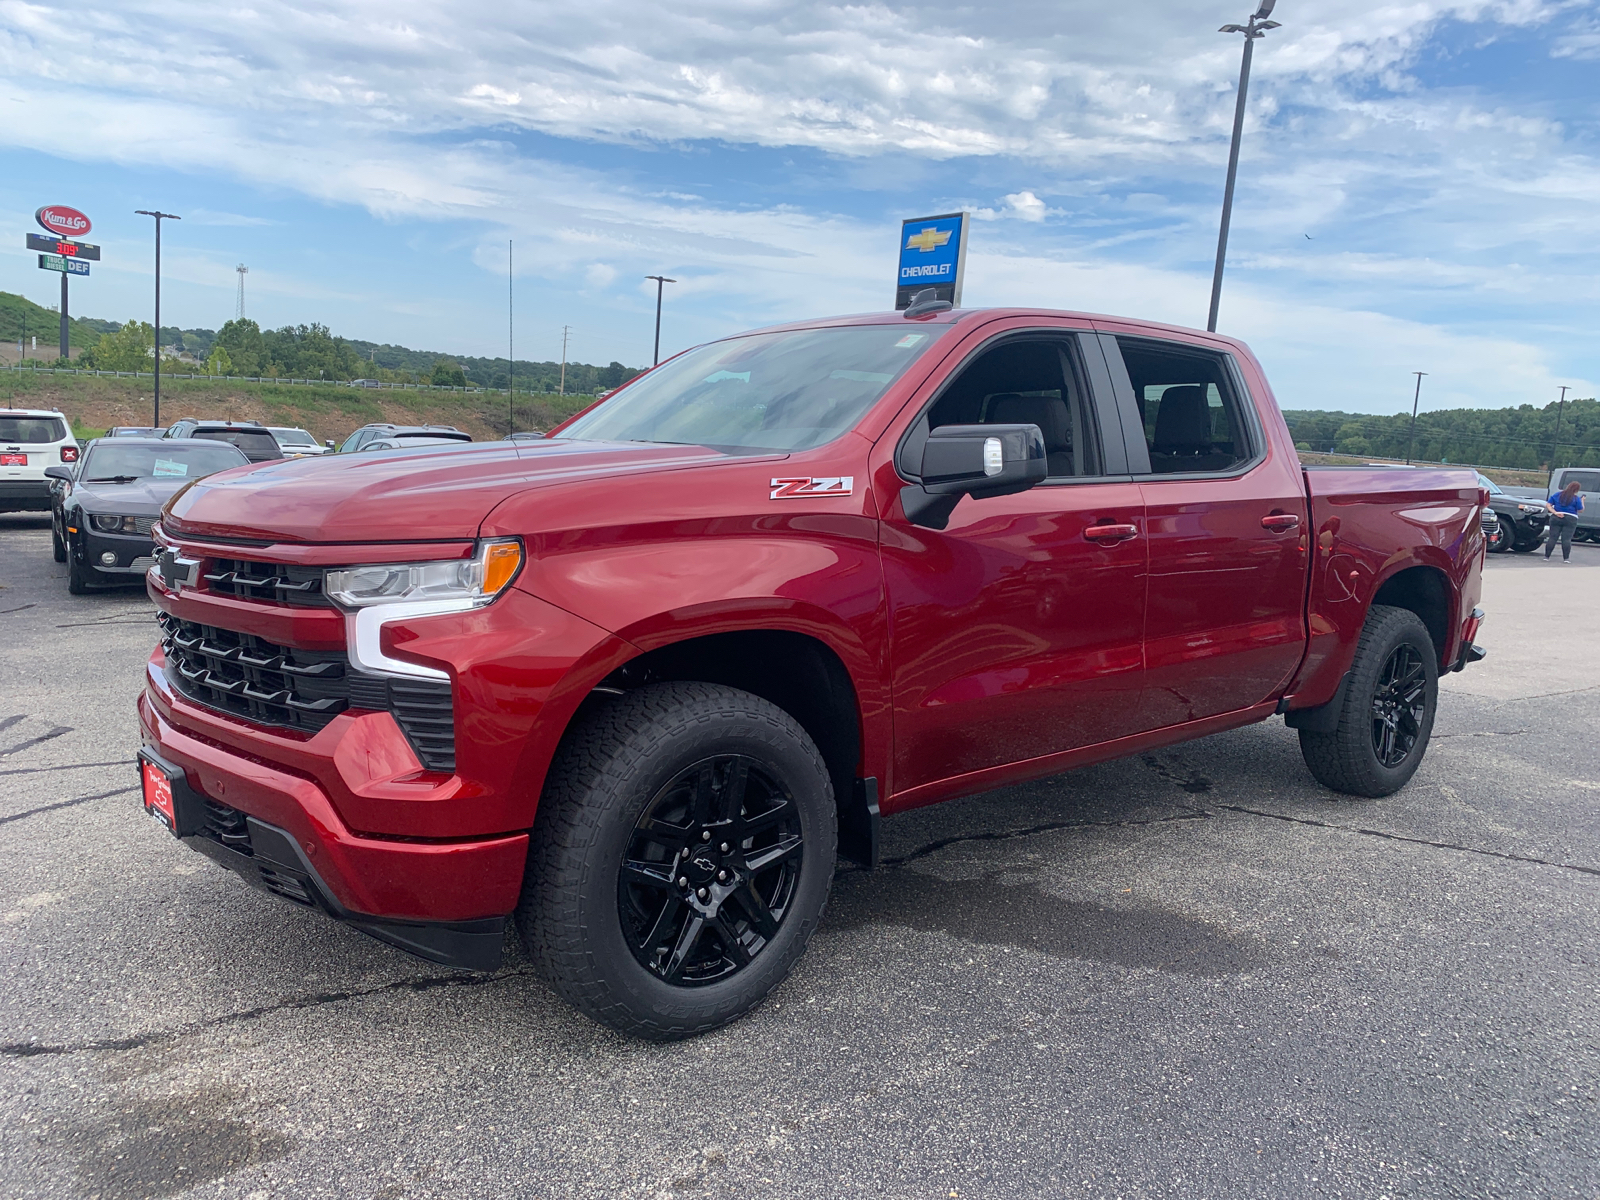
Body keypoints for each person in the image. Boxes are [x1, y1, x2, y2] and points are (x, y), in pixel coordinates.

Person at [1545, 480, 1584, 562]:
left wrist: (1555, 512)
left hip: (1556, 516)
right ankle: (1566, 558)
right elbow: (1580, 510)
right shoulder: (1576, 498)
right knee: (1566, 539)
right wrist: (1583, 500)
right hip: (1571, 518)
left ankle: (1547, 557)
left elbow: (1548, 505)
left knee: (1552, 537)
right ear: (1576, 490)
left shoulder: (1557, 495)